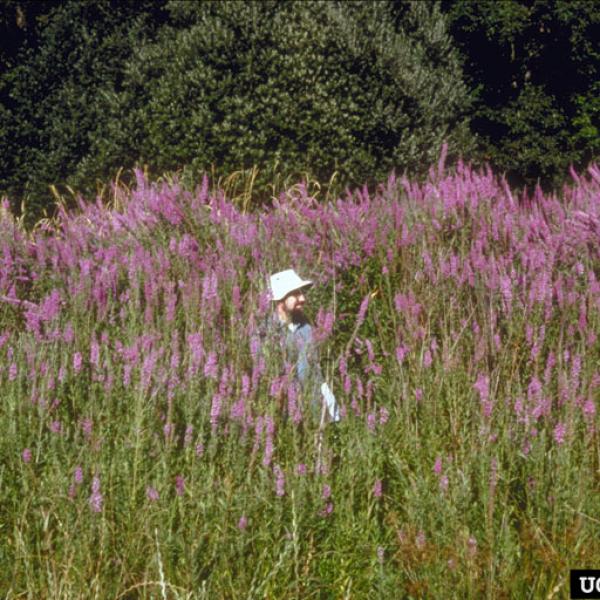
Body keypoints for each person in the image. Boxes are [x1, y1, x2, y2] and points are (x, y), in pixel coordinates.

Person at [260, 269, 340, 423]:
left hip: (314, 409)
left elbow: (312, 370)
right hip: (283, 412)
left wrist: (328, 399)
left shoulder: (306, 327)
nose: (302, 298)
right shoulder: (265, 332)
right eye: (296, 294)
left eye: (302, 293)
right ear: (280, 299)